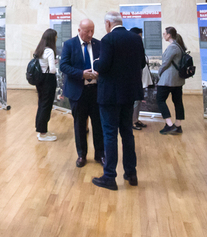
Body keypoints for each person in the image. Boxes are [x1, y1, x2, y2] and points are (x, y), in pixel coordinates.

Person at [92, 11, 144, 191]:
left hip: (110, 95)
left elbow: (103, 66)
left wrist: (96, 63)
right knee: (127, 133)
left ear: (108, 24)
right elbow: (142, 63)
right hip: (129, 94)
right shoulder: (136, 39)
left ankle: (109, 176)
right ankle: (131, 173)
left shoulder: (108, 40)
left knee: (110, 134)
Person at [60, 19, 104, 167]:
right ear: (79, 30)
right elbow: (63, 66)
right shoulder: (69, 44)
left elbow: (104, 63)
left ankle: (100, 154)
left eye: (92, 30)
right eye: (87, 31)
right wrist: (81, 74)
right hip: (78, 92)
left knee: (98, 124)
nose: (90, 34)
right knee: (79, 125)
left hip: (96, 91)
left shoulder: (99, 44)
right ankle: (81, 155)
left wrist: (100, 71)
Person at [156, 26, 186, 135]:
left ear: (169, 35)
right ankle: (177, 125)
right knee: (178, 101)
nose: (163, 35)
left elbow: (165, 63)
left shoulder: (173, 47)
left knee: (160, 99)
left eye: (164, 34)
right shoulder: (179, 46)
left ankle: (169, 125)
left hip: (168, 79)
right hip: (178, 80)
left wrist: (159, 72)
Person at [33, 28, 58, 141]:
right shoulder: (50, 51)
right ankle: (43, 133)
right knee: (46, 106)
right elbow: (52, 69)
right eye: (55, 37)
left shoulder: (40, 49)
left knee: (42, 104)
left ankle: (41, 129)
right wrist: (55, 66)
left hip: (40, 80)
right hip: (48, 80)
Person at [129, 27, 150, 131]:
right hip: (132, 77)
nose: (140, 38)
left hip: (139, 76)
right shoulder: (129, 46)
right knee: (135, 100)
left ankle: (136, 119)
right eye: (139, 36)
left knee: (138, 99)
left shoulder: (138, 45)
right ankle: (132, 121)